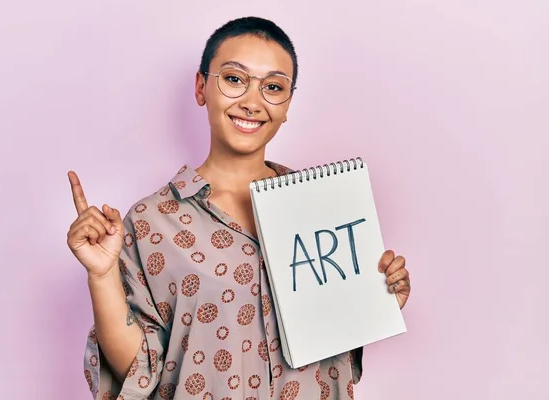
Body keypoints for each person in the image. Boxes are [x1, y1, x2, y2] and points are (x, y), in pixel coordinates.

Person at [66, 16, 411, 400]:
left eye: (273, 87)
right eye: (234, 79)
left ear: (287, 104)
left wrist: (378, 300)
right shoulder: (151, 222)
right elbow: (139, 366)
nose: (251, 102)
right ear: (201, 88)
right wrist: (100, 275)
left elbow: (333, 342)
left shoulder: (323, 204)